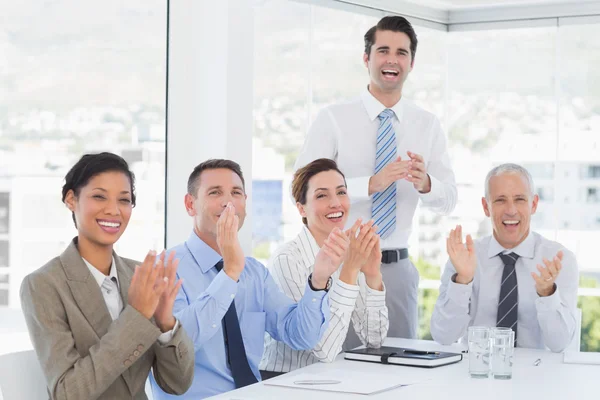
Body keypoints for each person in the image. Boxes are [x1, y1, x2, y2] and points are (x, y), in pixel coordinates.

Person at [294, 15, 457, 342]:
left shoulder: (427, 125)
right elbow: (302, 188)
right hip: (341, 266)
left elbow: (448, 200)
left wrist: (426, 183)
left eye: (402, 52)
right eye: (383, 50)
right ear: (367, 58)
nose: (392, 60)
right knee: (336, 365)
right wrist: (370, 184)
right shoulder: (333, 119)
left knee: (400, 371)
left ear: (412, 63)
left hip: (397, 270)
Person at [150, 159, 344, 399]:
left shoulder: (255, 273)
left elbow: (300, 335)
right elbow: (177, 348)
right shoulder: (165, 268)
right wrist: (229, 274)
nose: (228, 201)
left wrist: (318, 279)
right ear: (191, 204)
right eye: (215, 192)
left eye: (236, 193)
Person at [20, 152, 194, 399]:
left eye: (124, 200)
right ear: (71, 199)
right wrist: (137, 316)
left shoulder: (138, 275)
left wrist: (166, 324)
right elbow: (68, 393)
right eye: (99, 196)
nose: (113, 210)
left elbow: (177, 384)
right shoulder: (43, 285)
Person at [430, 163, 579, 352]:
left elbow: (560, 344)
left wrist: (546, 293)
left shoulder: (559, 260)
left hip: (536, 375)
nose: (511, 210)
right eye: (500, 200)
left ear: (533, 204)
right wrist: (463, 281)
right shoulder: (464, 257)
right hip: (477, 372)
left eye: (519, 199)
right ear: (486, 206)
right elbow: (444, 336)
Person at [261, 158, 388, 375]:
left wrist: (372, 274)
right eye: (321, 195)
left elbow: (373, 339)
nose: (336, 203)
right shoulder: (287, 260)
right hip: (284, 381)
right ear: (301, 208)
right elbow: (323, 350)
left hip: (328, 380)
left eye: (341, 192)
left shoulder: (349, 251)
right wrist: (349, 271)